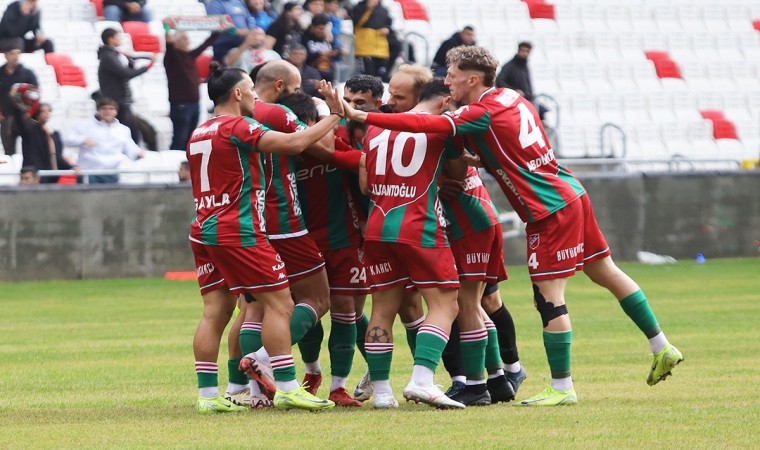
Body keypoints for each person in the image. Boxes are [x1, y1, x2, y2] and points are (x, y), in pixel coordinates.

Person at [343, 45, 684, 406]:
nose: (447, 81)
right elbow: (503, 146)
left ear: (472, 79)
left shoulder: (480, 112)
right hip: (569, 190)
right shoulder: (511, 97)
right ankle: (661, 345)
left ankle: (562, 387)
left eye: (453, 75)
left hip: (547, 208)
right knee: (606, 272)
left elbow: (427, 124)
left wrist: (362, 116)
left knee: (548, 298)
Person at [188, 61, 344, 413]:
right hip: (238, 229)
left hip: (203, 227)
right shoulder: (239, 126)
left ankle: (208, 397)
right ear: (237, 93)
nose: (255, 98)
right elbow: (295, 143)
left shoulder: (199, 131)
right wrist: (334, 115)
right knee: (280, 305)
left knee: (215, 312)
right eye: (251, 92)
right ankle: (287, 387)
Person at [358, 78, 466, 409]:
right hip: (419, 225)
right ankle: (422, 380)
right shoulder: (441, 129)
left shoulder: (376, 129)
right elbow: (458, 174)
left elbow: (364, 185)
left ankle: (382, 393)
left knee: (382, 308)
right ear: (445, 102)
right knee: (445, 303)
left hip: (377, 225)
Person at [236, 60, 335, 403]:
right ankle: (264, 359)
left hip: (250, 224)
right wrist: (328, 112)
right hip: (285, 222)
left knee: (254, 309)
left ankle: (253, 394)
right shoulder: (276, 113)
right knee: (318, 299)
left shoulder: (231, 119)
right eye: (293, 89)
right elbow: (326, 149)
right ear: (279, 86)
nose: (296, 96)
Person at [278, 91, 366, 407]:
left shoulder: (333, 140)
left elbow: (358, 160)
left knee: (345, 309)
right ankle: (311, 372)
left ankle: (339, 387)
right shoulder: (281, 151)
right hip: (300, 240)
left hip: (343, 237)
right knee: (307, 308)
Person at [163, 23, 221, 151]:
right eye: (184, 38)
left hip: (194, 103)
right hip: (181, 104)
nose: (187, 41)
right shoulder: (172, 57)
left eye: (187, 38)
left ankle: (187, 161)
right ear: (176, 42)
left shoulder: (189, 55)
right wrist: (166, 28)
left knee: (190, 138)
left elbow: (205, 45)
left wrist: (218, 31)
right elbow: (169, 44)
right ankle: (174, 160)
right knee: (180, 138)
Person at [97, 28, 158, 145]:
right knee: (129, 133)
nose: (120, 39)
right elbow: (126, 74)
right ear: (110, 39)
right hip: (117, 101)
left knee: (132, 132)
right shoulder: (108, 56)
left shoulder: (112, 55)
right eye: (118, 37)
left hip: (121, 100)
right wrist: (148, 66)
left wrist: (131, 62)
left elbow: (124, 74)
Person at [63, 97, 144, 184]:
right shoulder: (85, 126)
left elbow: (129, 147)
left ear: (116, 111)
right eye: (104, 108)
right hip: (89, 172)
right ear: (98, 110)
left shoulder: (123, 129)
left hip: (112, 173)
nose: (107, 111)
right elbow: (67, 139)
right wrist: (82, 140)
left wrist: (137, 153)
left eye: (111, 109)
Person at [13, 100, 75, 184]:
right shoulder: (30, 130)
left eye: (48, 111)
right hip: (33, 177)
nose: (46, 114)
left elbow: (58, 158)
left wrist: (72, 167)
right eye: (43, 111)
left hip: (51, 177)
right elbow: (20, 120)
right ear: (37, 113)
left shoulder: (54, 134)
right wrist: (19, 101)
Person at [495, 41, 548, 119]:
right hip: (516, 103)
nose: (525, 53)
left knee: (542, 112)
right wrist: (514, 91)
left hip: (528, 100)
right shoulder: (509, 66)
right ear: (518, 50)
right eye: (523, 51)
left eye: (527, 51)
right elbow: (499, 81)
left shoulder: (525, 65)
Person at [0, 46, 37, 156]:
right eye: (12, 53)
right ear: (6, 55)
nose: (15, 56)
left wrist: (23, 92)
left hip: (24, 116)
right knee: (8, 151)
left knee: (30, 150)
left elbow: (36, 93)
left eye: (18, 53)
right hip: (7, 117)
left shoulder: (27, 73)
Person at [350, 0, 391, 81]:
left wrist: (387, 29)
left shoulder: (383, 10)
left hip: (381, 50)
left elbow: (388, 24)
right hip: (365, 49)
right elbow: (357, 23)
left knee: (381, 77)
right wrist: (368, 9)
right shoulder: (359, 7)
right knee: (367, 77)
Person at [301, 13, 338, 82]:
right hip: (311, 75)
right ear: (313, 27)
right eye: (320, 29)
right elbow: (304, 56)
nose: (322, 31)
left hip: (328, 74)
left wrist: (333, 53)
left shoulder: (329, 37)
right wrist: (319, 53)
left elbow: (338, 54)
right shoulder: (305, 38)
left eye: (324, 29)